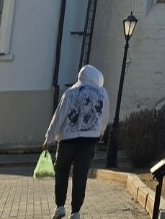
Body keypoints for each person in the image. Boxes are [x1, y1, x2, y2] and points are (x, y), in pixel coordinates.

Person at [43, 65, 110, 219]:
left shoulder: (70, 93)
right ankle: (76, 212)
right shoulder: (102, 93)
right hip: (89, 140)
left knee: (62, 171)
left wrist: (49, 137)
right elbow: (105, 115)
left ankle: (59, 207)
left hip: (67, 139)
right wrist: (100, 132)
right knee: (80, 175)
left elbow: (59, 116)